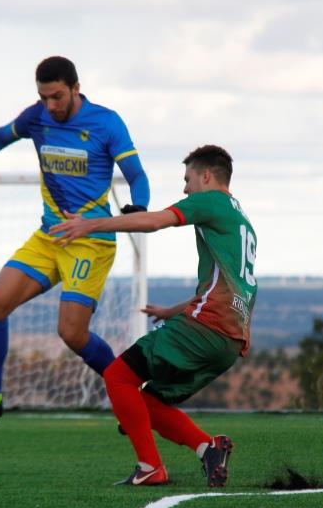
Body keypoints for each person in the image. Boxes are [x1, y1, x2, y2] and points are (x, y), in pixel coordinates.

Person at [0, 56, 150, 420]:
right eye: (43, 97)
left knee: (72, 334)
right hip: (49, 236)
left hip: (90, 241)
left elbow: (136, 173)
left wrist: (139, 205)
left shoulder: (106, 122)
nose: (50, 106)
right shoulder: (37, 117)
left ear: (75, 88)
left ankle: (134, 396)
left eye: (57, 96)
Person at [50, 145, 255, 486]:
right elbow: (227, 289)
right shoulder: (240, 219)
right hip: (230, 341)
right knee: (146, 401)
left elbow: (157, 220)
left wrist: (93, 224)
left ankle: (151, 468)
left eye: (187, 179)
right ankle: (209, 448)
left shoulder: (210, 201)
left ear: (206, 176)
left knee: (117, 376)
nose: (185, 189)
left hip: (204, 329)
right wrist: (172, 311)